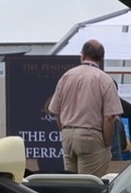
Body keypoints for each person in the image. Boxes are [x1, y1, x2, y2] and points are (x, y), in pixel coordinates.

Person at [47, 39, 122, 175]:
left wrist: (65, 129)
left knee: (71, 184)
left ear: (82, 55)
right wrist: (107, 143)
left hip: (68, 135)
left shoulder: (66, 76)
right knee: (90, 186)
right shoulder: (104, 79)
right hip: (91, 135)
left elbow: (56, 111)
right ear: (101, 58)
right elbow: (110, 117)